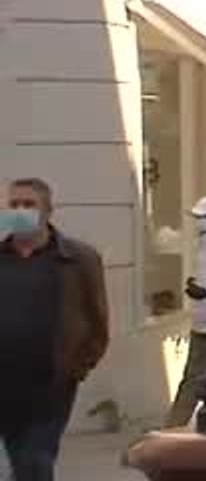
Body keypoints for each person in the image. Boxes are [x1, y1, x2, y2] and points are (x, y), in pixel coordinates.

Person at [1, 178, 109, 481]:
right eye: (14, 204)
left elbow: (98, 322)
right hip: (5, 384)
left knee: (36, 458)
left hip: (52, 384)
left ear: (48, 211)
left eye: (29, 204)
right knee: (22, 460)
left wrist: (77, 368)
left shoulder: (79, 259)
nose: (20, 211)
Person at [165, 196, 206, 428]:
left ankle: (174, 426)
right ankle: (175, 426)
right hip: (201, 322)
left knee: (197, 379)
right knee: (195, 378)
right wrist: (194, 286)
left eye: (203, 217)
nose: (199, 222)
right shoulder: (203, 245)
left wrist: (205, 292)